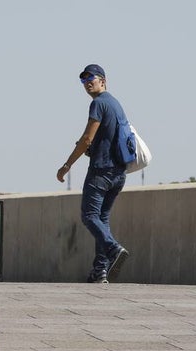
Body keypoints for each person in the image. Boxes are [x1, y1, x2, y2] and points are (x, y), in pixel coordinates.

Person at [56, 64, 131, 284]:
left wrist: (67, 165)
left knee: (89, 217)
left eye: (92, 78)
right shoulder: (116, 104)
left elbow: (87, 138)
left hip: (101, 172)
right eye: (84, 80)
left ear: (103, 81)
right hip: (119, 173)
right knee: (102, 220)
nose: (88, 83)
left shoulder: (98, 104)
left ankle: (113, 249)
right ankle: (100, 272)